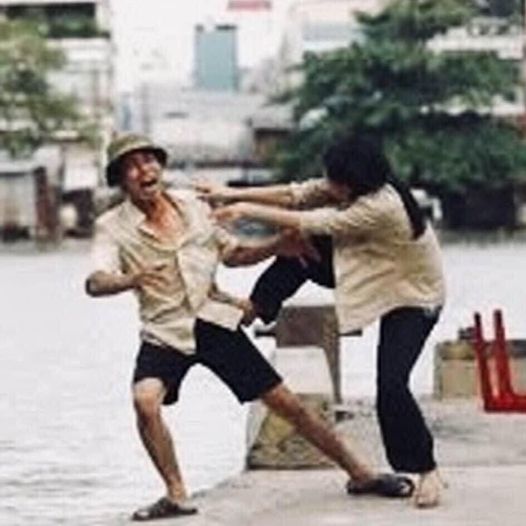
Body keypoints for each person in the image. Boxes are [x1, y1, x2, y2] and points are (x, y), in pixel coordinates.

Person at [85, 133, 415, 522]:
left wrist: (276, 246)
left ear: (160, 166)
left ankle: (361, 474)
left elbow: (235, 255)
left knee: (289, 405)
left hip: (213, 321)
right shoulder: (112, 226)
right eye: (132, 166)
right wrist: (131, 279)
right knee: (145, 402)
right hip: (166, 330)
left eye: (149, 161)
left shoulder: (193, 206)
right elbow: (96, 282)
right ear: (121, 179)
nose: (145, 170)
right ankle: (175, 494)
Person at [198, 133, 446, 508]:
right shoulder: (351, 187)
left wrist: (245, 209)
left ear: (357, 182)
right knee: (298, 245)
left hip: (413, 298)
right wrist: (229, 193)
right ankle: (255, 308)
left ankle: (427, 470)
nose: (328, 186)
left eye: (335, 181)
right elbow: (295, 194)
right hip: (368, 271)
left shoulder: (383, 206)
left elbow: (312, 219)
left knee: (392, 386)